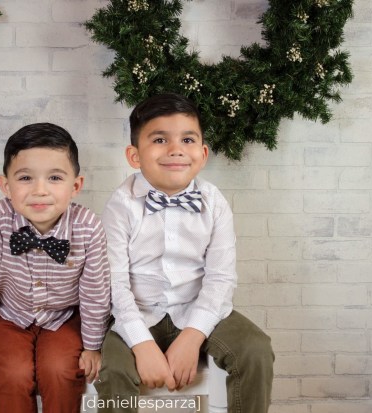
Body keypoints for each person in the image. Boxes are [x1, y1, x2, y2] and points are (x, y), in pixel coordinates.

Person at [95, 93, 274, 413]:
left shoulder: (214, 202)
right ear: (134, 156)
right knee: (114, 370)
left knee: (255, 349)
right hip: (136, 312)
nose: (175, 149)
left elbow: (221, 278)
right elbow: (114, 283)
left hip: (200, 307)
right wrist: (142, 344)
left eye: (187, 140)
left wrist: (192, 336)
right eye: (159, 139)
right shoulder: (121, 205)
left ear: (203, 154)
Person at [0, 122, 111, 413]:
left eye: (54, 178)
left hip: (64, 317)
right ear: (6, 186)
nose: (40, 190)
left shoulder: (88, 227)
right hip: (9, 315)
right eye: (25, 178)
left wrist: (93, 345)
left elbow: (95, 293)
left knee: (60, 370)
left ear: (75, 186)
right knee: (12, 372)